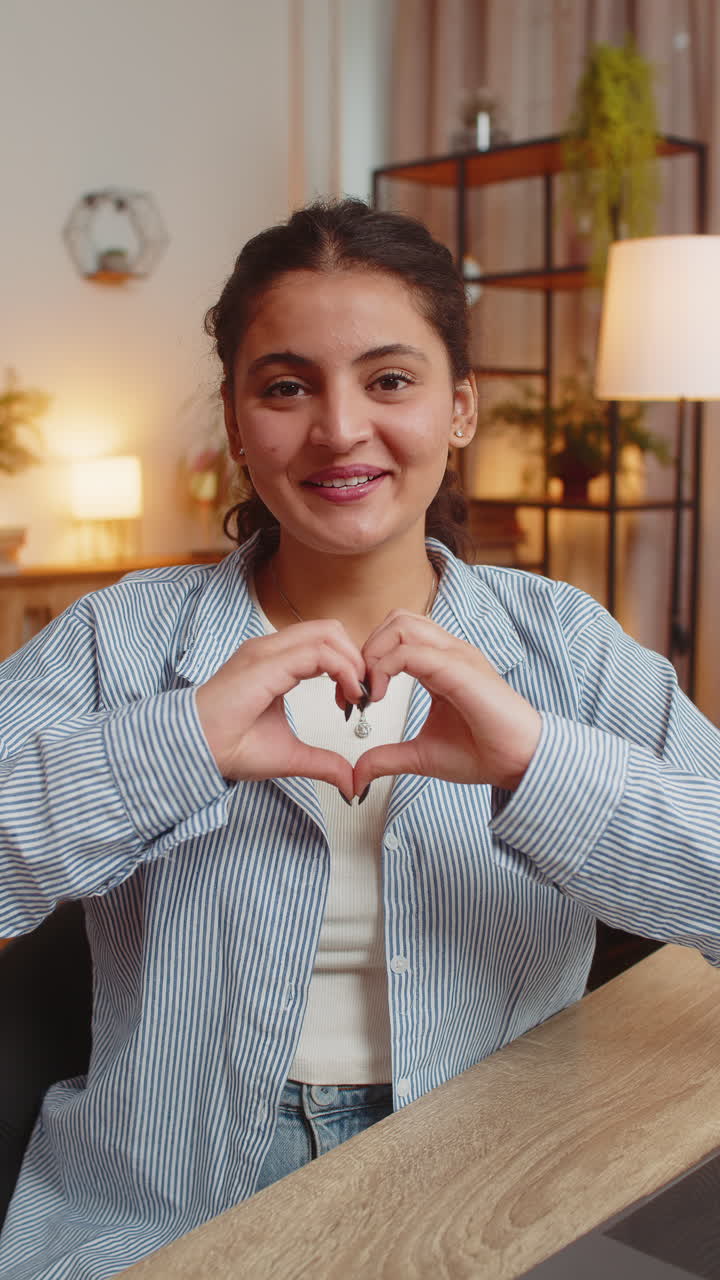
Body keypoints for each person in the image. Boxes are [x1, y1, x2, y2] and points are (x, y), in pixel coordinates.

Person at [0, 197, 719, 1279]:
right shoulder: (120, 637)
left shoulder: (564, 645)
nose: (339, 429)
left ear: (461, 408)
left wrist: (538, 761)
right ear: (239, 423)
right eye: (286, 386)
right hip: (160, 1207)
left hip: (494, 1198)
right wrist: (175, 745)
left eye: (390, 379)